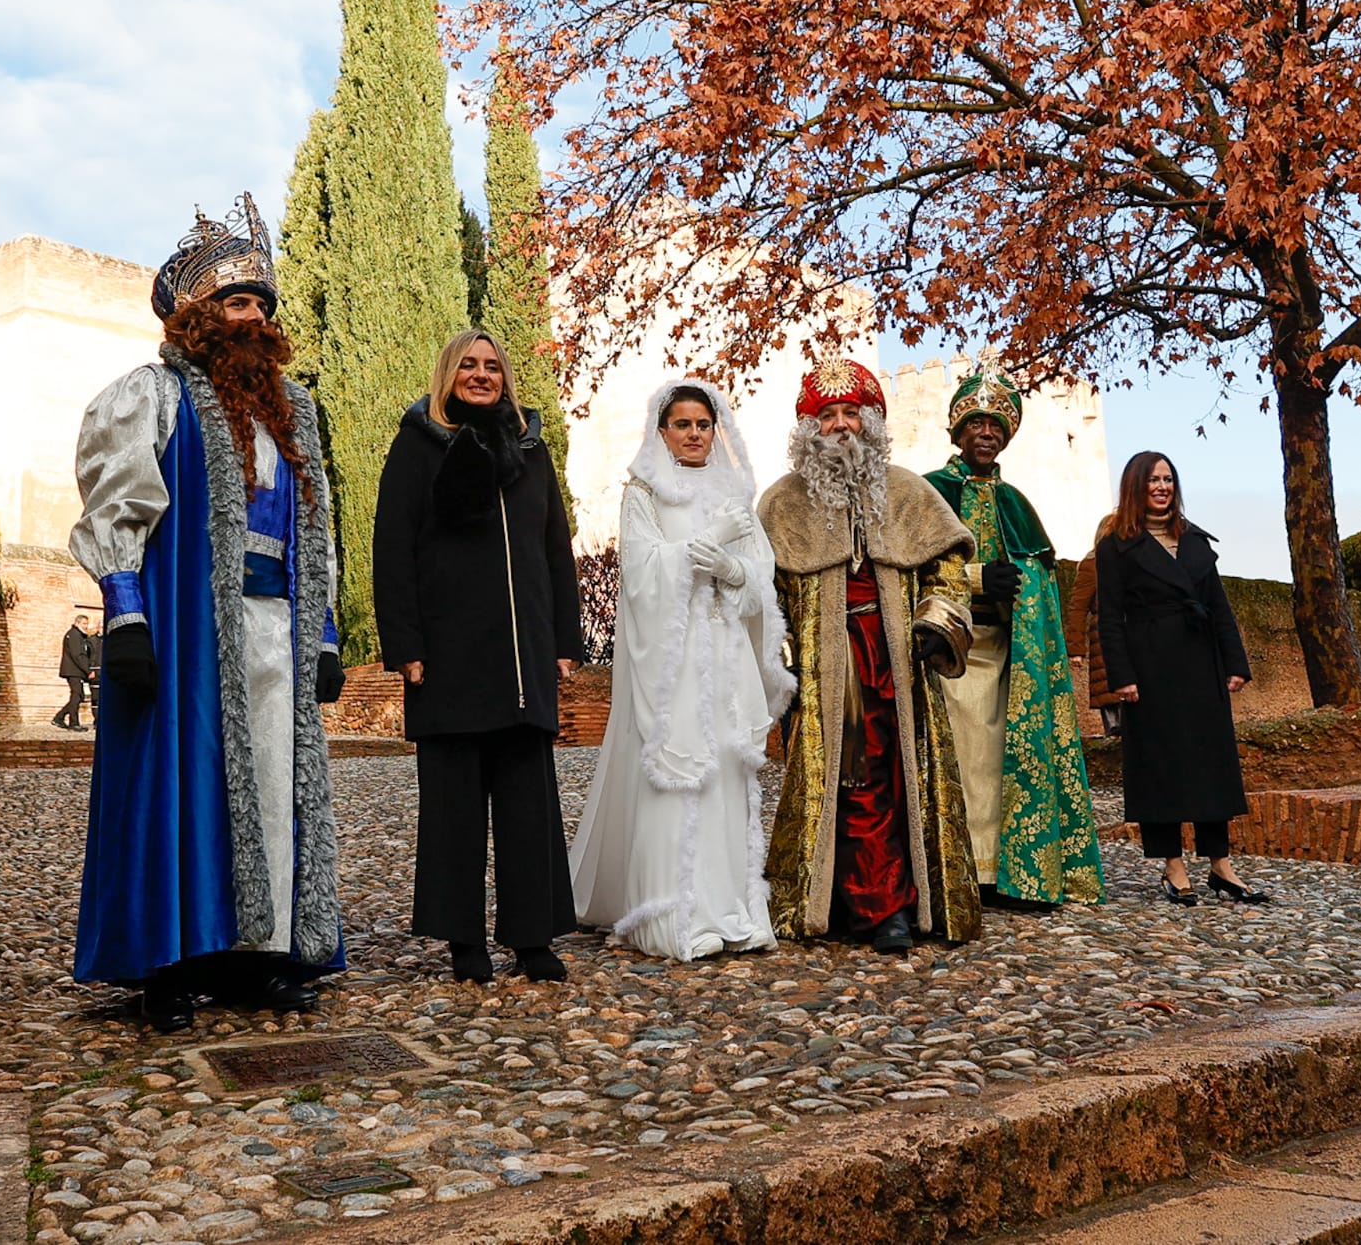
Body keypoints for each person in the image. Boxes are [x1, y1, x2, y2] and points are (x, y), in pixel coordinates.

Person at [69, 193, 349, 1032]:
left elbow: (318, 525)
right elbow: (117, 506)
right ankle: (169, 961)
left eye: (263, 303)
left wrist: (325, 631)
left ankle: (254, 955)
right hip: (189, 624)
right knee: (177, 784)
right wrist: (126, 615)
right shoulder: (153, 397)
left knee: (270, 786)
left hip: (276, 627)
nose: (254, 316)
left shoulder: (294, 411)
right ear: (196, 315)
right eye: (237, 302)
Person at [373, 330, 583, 982]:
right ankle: (463, 939)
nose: (481, 373)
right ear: (448, 373)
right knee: (454, 810)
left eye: (492, 365)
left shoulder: (531, 449)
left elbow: (556, 551)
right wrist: (404, 644)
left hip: (522, 658)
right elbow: (392, 547)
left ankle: (533, 938)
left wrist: (565, 642)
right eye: (469, 363)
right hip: (447, 658)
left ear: (506, 377)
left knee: (528, 808)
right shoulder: (416, 446)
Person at [760, 358, 981, 954]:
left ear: (871, 421)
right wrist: (777, 663)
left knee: (901, 779)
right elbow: (765, 598)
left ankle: (901, 900)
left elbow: (950, 567)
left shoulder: (911, 492)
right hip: (828, 668)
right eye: (826, 415)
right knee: (854, 781)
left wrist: (940, 622)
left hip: (899, 660)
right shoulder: (781, 505)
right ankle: (877, 909)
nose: (840, 427)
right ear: (809, 429)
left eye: (850, 413)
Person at [570, 380, 795, 960]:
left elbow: (760, 580)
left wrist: (733, 569)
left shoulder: (735, 494)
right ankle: (675, 914)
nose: (694, 434)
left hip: (723, 654)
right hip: (673, 661)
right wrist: (705, 543)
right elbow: (640, 575)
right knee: (678, 767)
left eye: (702, 425)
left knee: (723, 769)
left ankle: (731, 909)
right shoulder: (644, 492)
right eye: (682, 424)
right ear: (663, 429)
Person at [925, 369, 1106, 909]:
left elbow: (1043, 582)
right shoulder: (930, 493)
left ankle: (1011, 873)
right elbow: (912, 567)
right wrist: (977, 577)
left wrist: (1024, 595)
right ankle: (962, 872)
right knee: (965, 761)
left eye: (996, 425)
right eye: (976, 422)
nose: (986, 432)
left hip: (1009, 652)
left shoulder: (1018, 504)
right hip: (945, 651)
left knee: (1008, 762)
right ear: (957, 432)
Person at [1096, 451, 1267, 905]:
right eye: (1152, 479)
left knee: (1212, 763)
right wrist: (1122, 674)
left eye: (1168, 479)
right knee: (1161, 764)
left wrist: (1235, 662)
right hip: (1149, 666)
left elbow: (1220, 606)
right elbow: (1109, 617)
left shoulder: (1193, 541)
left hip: (1199, 660)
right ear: (1136, 486)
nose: (1162, 486)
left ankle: (1221, 865)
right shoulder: (1117, 544)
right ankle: (1172, 866)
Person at [1066, 513, 1122, 736]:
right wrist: (1076, 650)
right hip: (1105, 637)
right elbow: (1078, 608)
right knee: (1110, 693)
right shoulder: (1092, 565)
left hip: (1130, 633)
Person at [52, 614, 94, 730]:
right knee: (77, 695)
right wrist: (88, 670)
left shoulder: (78, 635)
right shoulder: (74, 635)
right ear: (77, 623)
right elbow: (78, 655)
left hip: (75, 670)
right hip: (74, 671)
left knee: (78, 696)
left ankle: (59, 718)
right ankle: (73, 723)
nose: (86, 626)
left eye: (87, 624)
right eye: (84, 624)